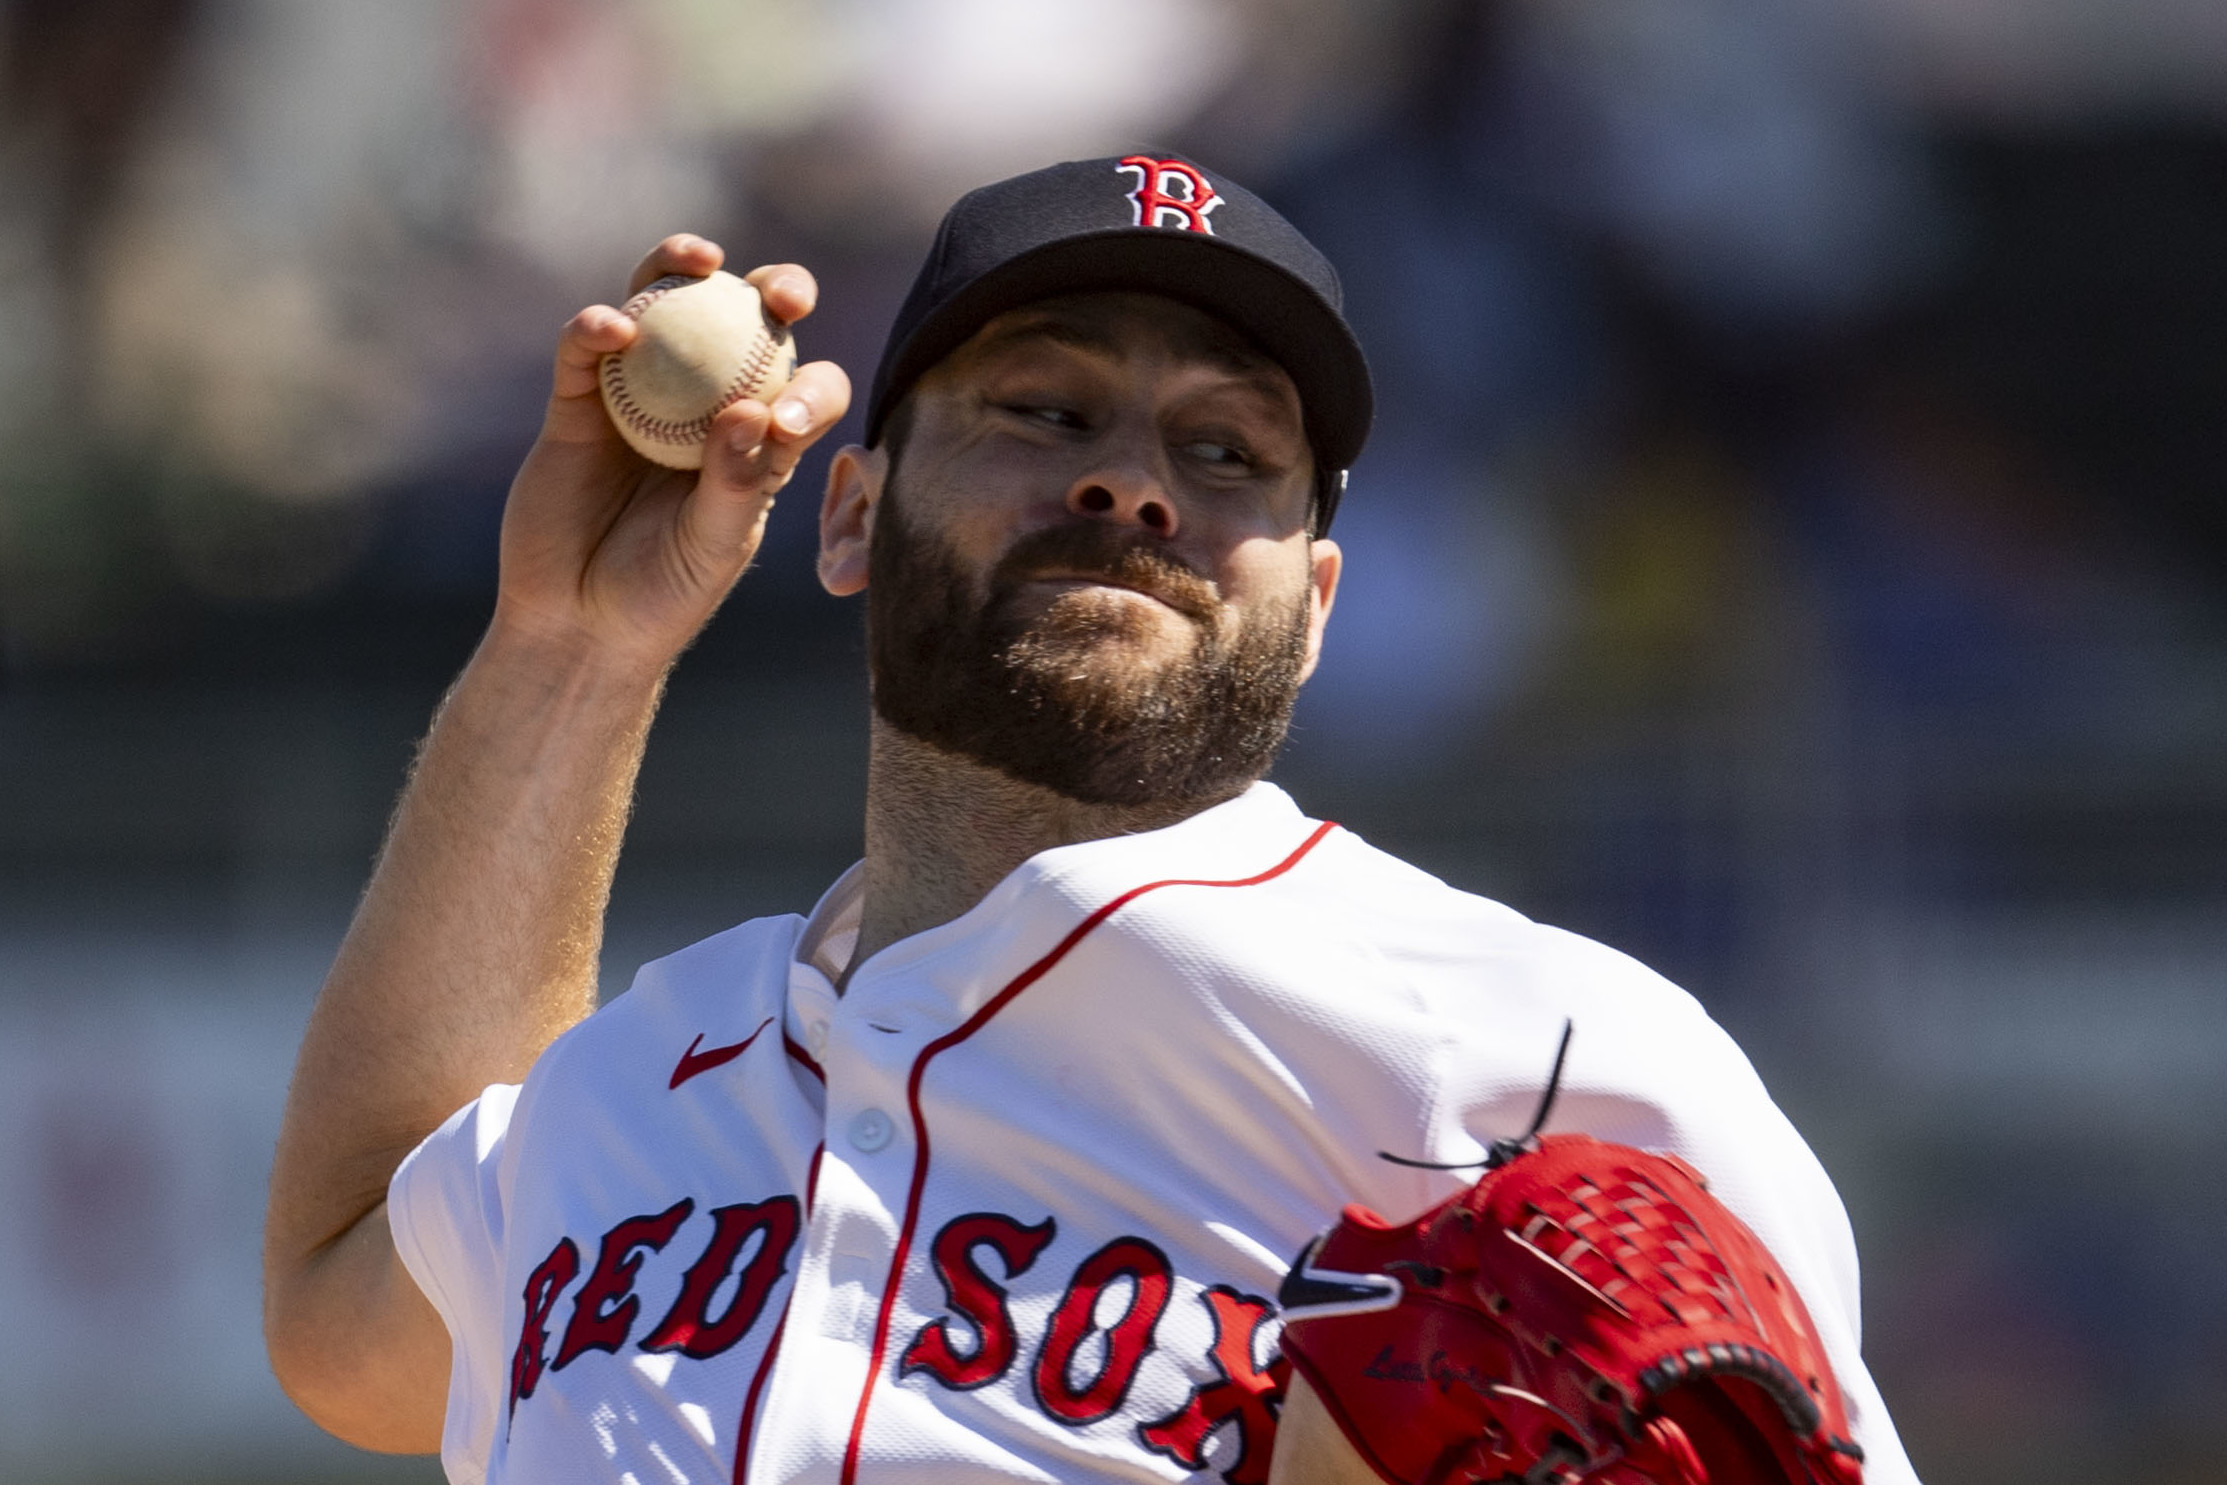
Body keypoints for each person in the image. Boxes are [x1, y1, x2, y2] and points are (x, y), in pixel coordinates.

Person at [262, 156, 1920, 1485]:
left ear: (1318, 600)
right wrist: (570, 646)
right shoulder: (641, 1077)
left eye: (1226, 448)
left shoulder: (1530, 1043)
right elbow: (346, 1309)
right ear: (848, 512)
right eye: (1045, 411)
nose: (1136, 485)